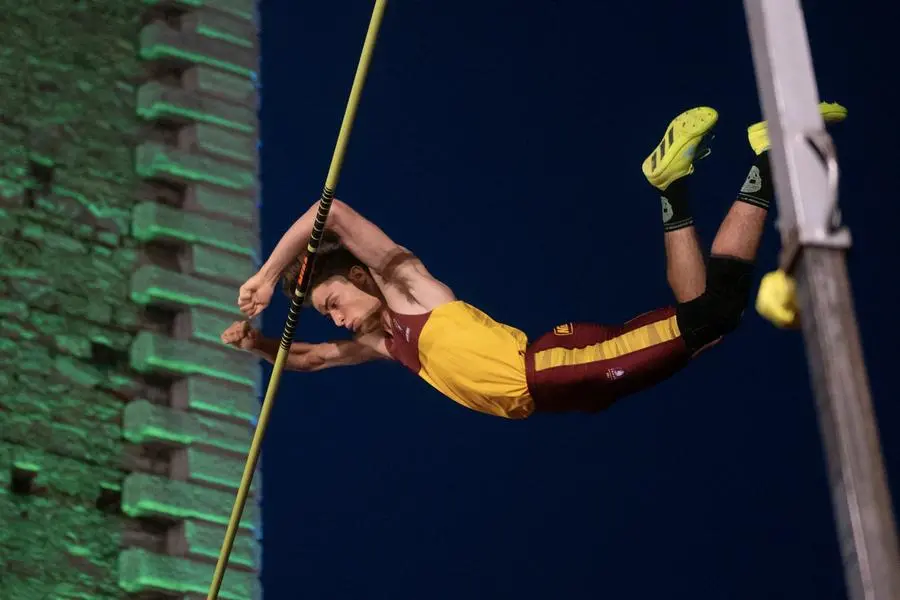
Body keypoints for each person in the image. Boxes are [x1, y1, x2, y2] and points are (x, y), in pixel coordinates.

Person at [222, 103, 847, 419]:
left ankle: (761, 164)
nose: (333, 319)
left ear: (362, 277)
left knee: (714, 315)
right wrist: (256, 342)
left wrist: (268, 275)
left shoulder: (405, 284)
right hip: (562, 393)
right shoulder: (385, 344)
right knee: (703, 322)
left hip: (551, 368)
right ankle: (674, 187)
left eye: (333, 303)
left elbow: (325, 211)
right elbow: (304, 359)